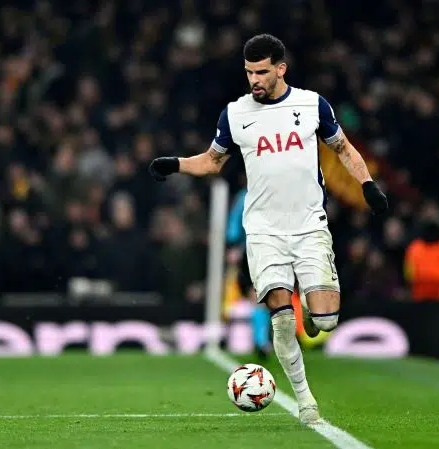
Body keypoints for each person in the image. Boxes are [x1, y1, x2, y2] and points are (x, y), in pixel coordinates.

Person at [148, 34, 387, 424]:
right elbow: (212, 162)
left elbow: (342, 148)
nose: (254, 79)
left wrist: (367, 185)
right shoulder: (235, 113)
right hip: (263, 231)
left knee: (325, 321)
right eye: (248, 72)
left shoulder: (312, 104)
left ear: (281, 69)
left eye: (261, 72)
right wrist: (174, 164)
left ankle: (313, 313)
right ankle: (306, 400)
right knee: (278, 313)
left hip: (309, 226)